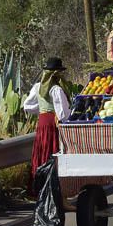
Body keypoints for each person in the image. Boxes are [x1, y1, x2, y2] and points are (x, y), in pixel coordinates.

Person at [23, 57, 71, 194]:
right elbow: (63, 114)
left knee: (42, 150)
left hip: (42, 123)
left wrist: (42, 111)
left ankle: (39, 187)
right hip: (53, 124)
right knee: (53, 151)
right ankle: (55, 190)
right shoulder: (56, 89)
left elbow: (27, 106)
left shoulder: (37, 87)